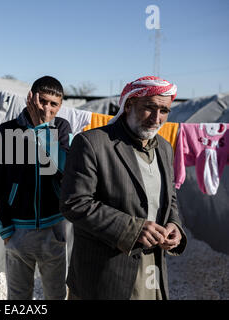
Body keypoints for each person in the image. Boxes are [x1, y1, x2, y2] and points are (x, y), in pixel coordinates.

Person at [60, 76, 187, 300]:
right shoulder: (92, 143)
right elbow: (74, 203)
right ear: (128, 104)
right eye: (149, 107)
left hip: (152, 270)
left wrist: (174, 225)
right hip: (104, 274)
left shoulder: (165, 149)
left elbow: (170, 197)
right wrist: (132, 229)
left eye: (164, 111)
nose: (157, 119)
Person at [0, 76, 72, 300]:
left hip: (54, 227)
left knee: (56, 294)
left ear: (60, 106)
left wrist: (44, 129)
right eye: (43, 101)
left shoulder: (62, 128)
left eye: (54, 104)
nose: (47, 108)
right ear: (30, 99)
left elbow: (62, 169)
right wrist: (5, 230)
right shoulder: (7, 131)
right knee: (18, 296)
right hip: (18, 230)